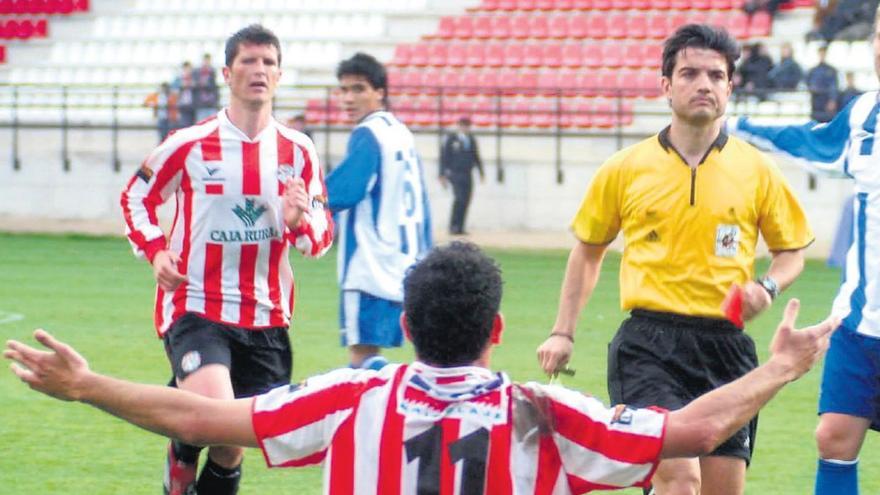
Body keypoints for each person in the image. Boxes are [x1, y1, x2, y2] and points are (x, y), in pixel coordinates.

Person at [4, 242, 838, 494]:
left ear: (402, 325)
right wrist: (781, 369)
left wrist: (85, 385)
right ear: (498, 329)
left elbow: (198, 418)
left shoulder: (353, 391)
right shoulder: (542, 408)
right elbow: (691, 430)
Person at [536, 24, 814, 495]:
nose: (703, 84)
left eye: (715, 75)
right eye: (689, 74)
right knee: (679, 478)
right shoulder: (625, 168)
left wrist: (766, 287)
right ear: (666, 85)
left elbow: (792, 252)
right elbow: (588, 250)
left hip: (726, 348)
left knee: (720, 488)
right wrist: (563, 331)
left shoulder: (757, 170)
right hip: (648, 345)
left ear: (730, 86)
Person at [119, 24, 333, 495]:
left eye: (269, 62)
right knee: (216, 419)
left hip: (265, 317)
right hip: (196, 304)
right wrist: (156, 251)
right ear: (227, 73)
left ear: (279, 74)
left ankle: (182, 438)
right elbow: (136, 196)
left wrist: (299, 221)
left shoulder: (299, 152)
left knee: (231, 445)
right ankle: (184, 444)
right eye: (249, 61)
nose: (259, 70)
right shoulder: (189, 143)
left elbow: (320, 240)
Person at [728, 8, 880, 494]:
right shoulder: (864, 114)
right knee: (833, 437)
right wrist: (736, 127)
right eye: (879, 35)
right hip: (859, 324)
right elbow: (811, 142)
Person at [325, 52, 432, 371]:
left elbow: (343, 190)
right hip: (409, 262)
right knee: (426, 360)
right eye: (343, 90)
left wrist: (300, 196)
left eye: (358, 89)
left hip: (369, 265)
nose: (348, 98)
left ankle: (377, 413)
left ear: (380, 92)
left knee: (362, 363)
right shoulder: (401, 132)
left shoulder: (368, 133)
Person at [440, 115, 484, 236]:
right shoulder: (452, 139)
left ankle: (460, 226)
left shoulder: (471, 140)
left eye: (467, 126)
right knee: (458, 199)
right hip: (455, 173)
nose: (465, 128)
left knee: (466, 200)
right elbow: (444, 157)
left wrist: (481, 172)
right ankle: (453, 225)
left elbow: (476, 157)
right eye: (463, 125)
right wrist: (442, 174)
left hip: (467, 173)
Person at [806, 45, 839, 122]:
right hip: (815, 100)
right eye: (820, 54)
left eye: (823, 54)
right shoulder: (813, 70)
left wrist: (832, 100)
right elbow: (807, 83)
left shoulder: (831, 70)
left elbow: (834, 86)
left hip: (826, 99)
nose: (822, 56)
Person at [194, 53, 219, 122]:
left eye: (208, 60)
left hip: (211, 103)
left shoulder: (212, 72)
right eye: (205, 60)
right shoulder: (197, 72)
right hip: (201, 104)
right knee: (201, 124)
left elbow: (214, 86)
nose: (207, 62)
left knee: (212, 123)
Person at [172, 60, 195, 129]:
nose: (188, 70)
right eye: (186, 68)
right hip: (182, 105)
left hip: (192, 105)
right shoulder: (178, 79)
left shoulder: (194, 78)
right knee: (184, 125)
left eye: (189, 68)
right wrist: (181, 86)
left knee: (193, 125)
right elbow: (174, 92)